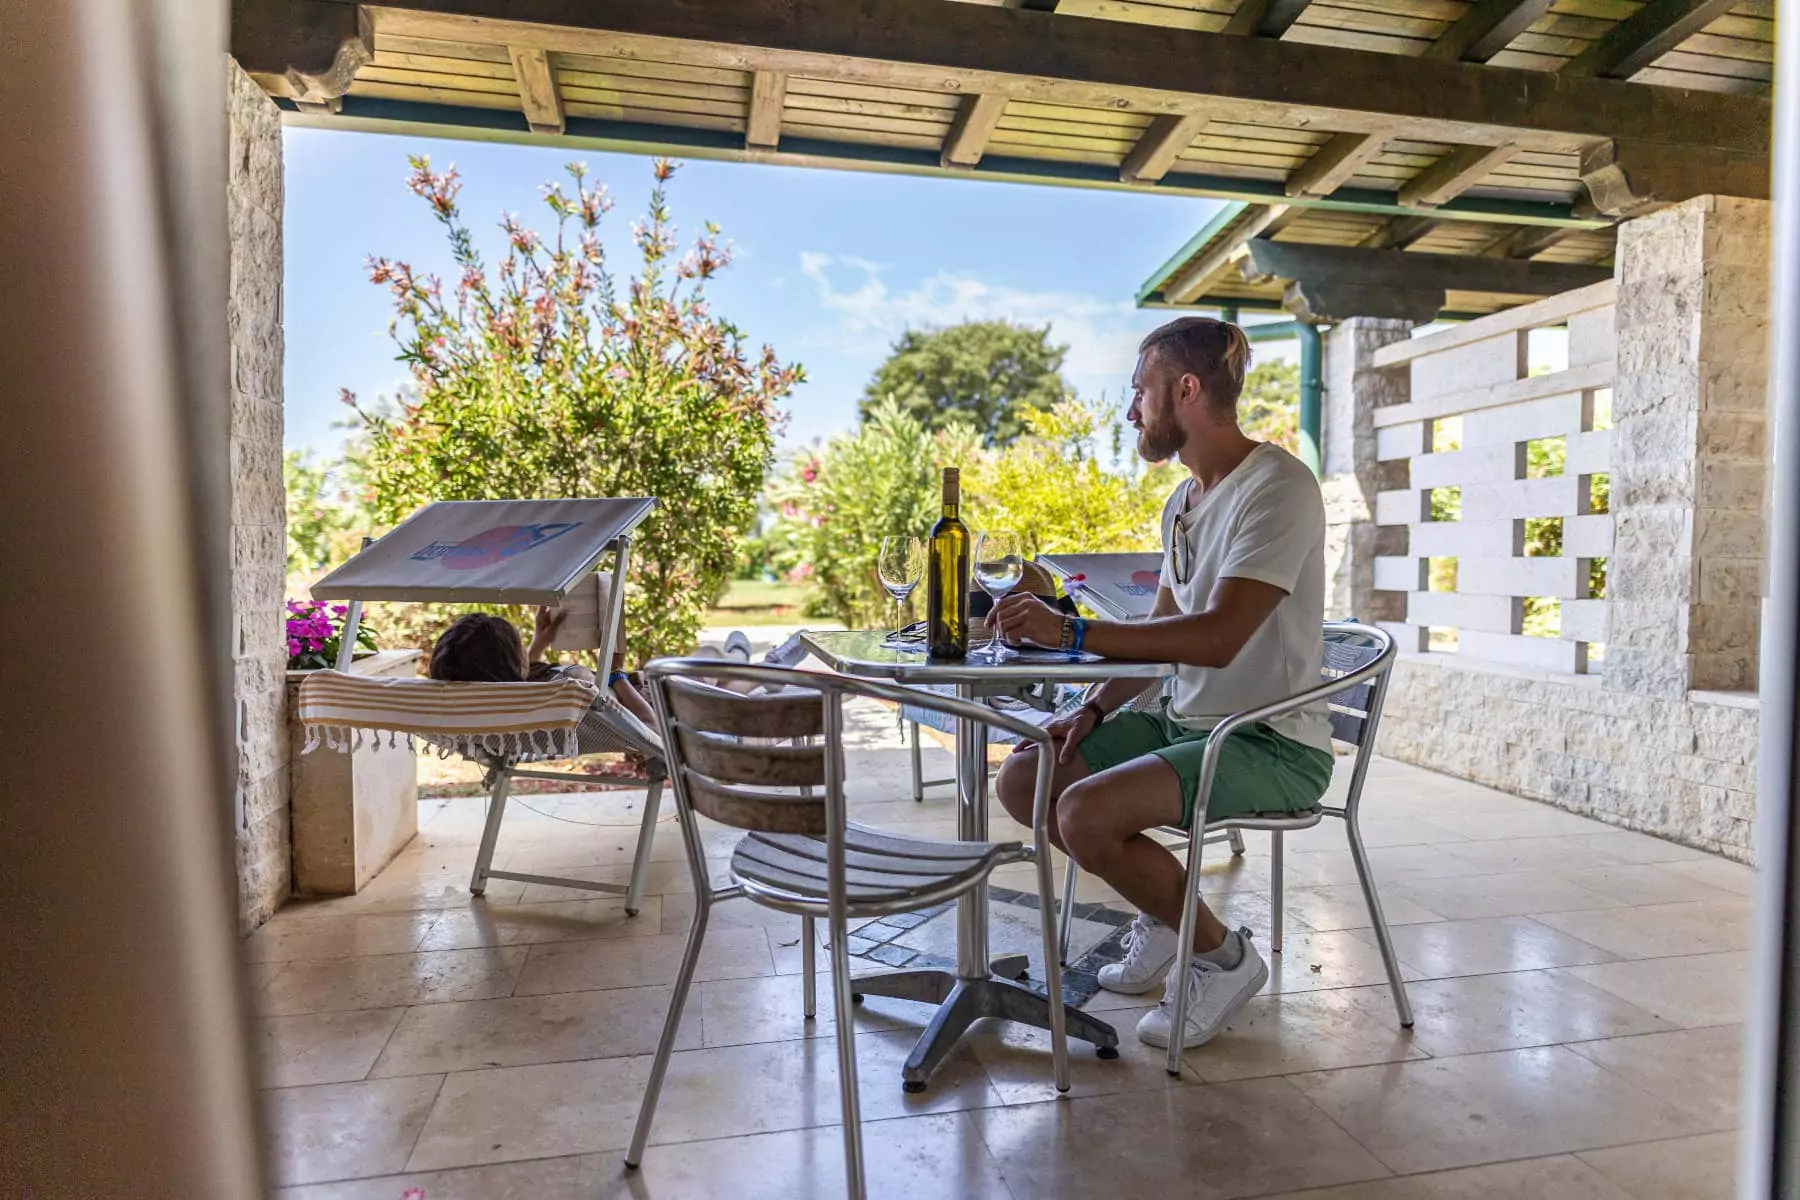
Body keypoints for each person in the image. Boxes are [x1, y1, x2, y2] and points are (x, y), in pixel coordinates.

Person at [991, 316, 1334, 1051]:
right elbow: (1159, 640)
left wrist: (1072, 632)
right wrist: (1087, 710)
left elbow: (1215, 638)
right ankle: (1164, 915)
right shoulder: (1184, 501)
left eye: (1139, 391)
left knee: (1084, 814)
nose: (1130, 411)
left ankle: (1223, 958)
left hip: (1268, 740)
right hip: (1186, 722)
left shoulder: (1278, 488)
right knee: (1026, 779)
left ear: (1185, 389)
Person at [427, 607, 658, 726]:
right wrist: (615, 671)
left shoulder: (495, 700)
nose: (524, 651)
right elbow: (651, 729)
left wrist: (539, 643)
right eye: (519, 646)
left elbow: (513, 680)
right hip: (652, 702)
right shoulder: (573, 684)